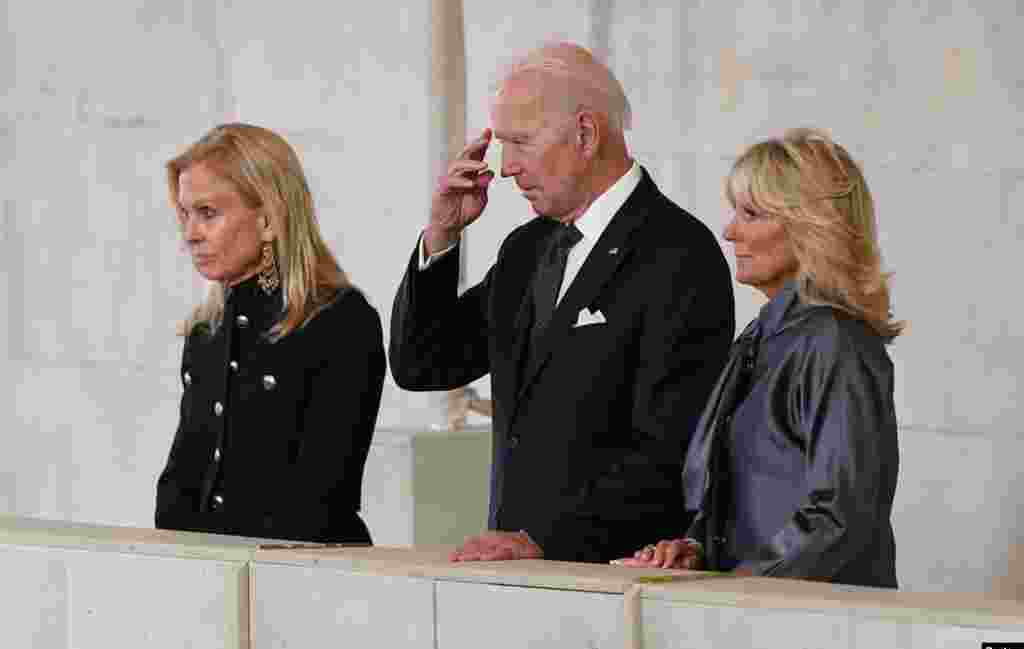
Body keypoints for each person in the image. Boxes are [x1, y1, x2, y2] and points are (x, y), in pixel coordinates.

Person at [390, 43, 734, 563]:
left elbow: (669, 451)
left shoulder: (679, 254)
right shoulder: (527, 251)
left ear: (586, 134)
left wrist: (546, 540)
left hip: (617, 580)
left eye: (521, 143)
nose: (505, 169)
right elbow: (424, 363)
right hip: (517, 575)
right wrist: (441, 237)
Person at [617, 128, 903, 588]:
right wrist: (696, 549)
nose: (730, 231)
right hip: (762, 614)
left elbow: (842, 515)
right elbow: (751, 503)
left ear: (809, 225)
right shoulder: (759, 338)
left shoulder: (834, 342)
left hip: (817, 626)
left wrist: (734, 586)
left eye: (750, 214)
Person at [155, 123, 385, 544]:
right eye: (185, 214)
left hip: (304, 576)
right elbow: (183, 479)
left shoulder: (337, 320)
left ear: (268, 220)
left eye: (208, 213)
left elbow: (322, 493)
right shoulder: (206, 330)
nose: (189, 234)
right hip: (213, 576)